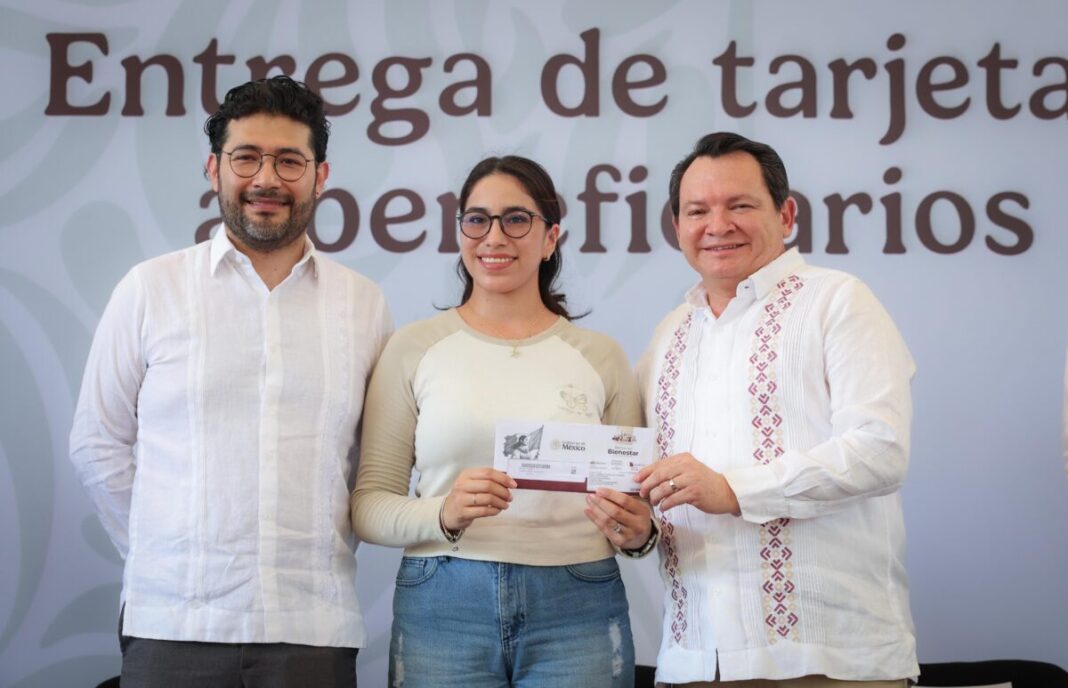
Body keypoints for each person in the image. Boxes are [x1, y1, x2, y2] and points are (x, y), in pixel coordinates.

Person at [69, 76, 392, 687]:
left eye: (290, 160)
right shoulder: (150, 289)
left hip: (312, 628)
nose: (267, 178)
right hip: (172, 626)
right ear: (214, 168)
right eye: (246, 157)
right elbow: (97, 443)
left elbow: (370, 463)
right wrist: (165, 550)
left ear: (320, 176)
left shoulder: (363, 305)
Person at [351, 155, 656, 687]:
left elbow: (635, 508)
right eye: (477, 220)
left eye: (516, 219)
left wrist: (637, 532)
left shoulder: (602, 357)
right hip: (443, 599)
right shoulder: (412, 348)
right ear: (461, 232)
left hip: (578, 601)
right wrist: (443, 513)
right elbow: (369, 506)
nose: (494, 237)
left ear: (551, 237)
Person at [635, 132, 919, 687]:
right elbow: (648, 479)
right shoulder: (668, 335)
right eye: (698, 211)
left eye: (740, 205)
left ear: (785, 215)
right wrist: (632, 525)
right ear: (677, 227)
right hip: (696, 658)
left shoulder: (837, 301)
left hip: (828, 657)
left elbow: (880, 450)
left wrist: (735, 490)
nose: (718, 225)